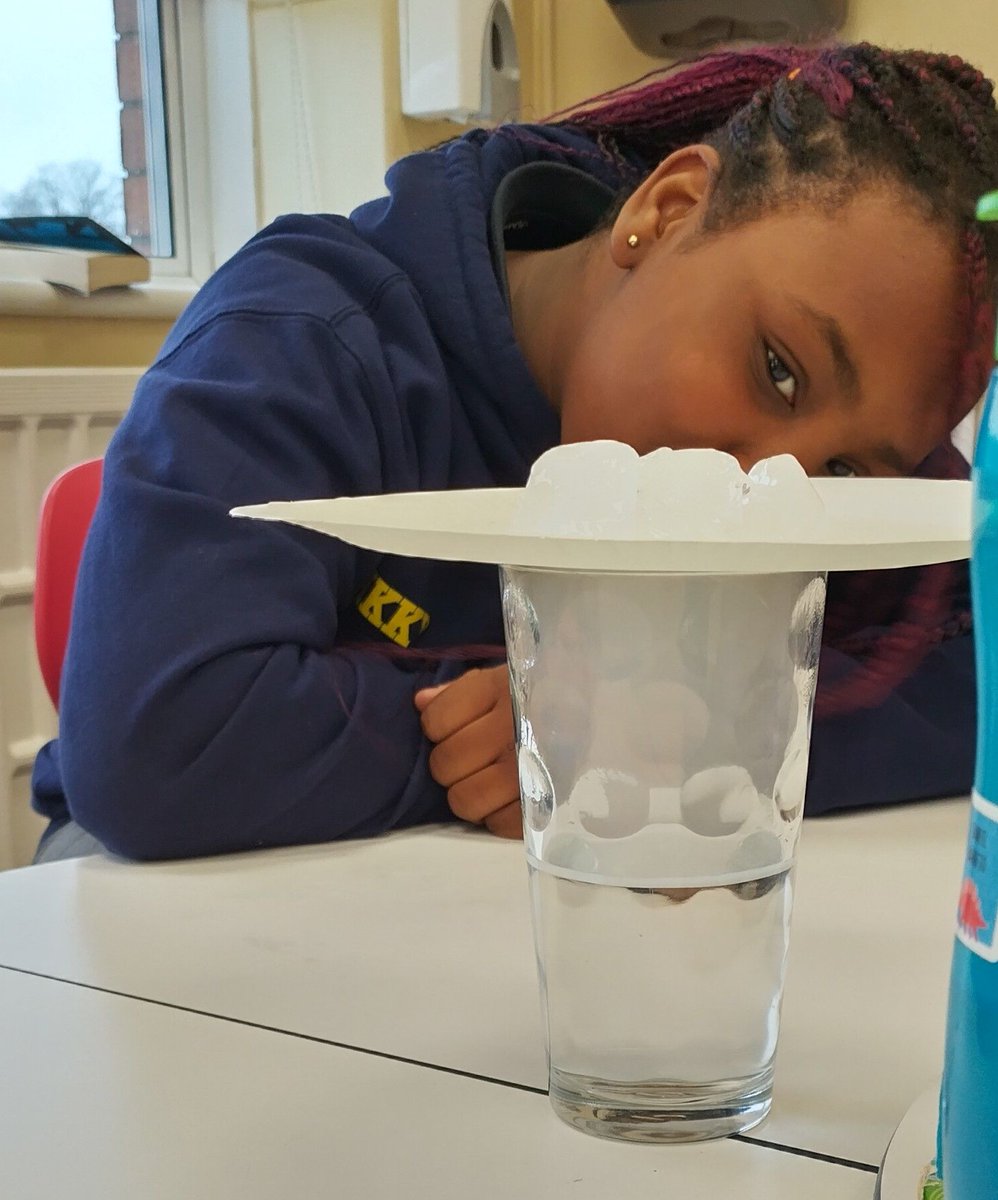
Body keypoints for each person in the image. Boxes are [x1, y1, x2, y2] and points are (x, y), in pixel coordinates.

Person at [31, 42, 998, 863]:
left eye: (846, 472)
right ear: (665, 210)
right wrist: (543, 729)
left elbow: (977, 675)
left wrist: (721, 731)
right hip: (154, 908)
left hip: (507, 938)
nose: (772, 483)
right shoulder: (309, 336)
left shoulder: (814, 456)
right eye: (778, 371)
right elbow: (157, 747)